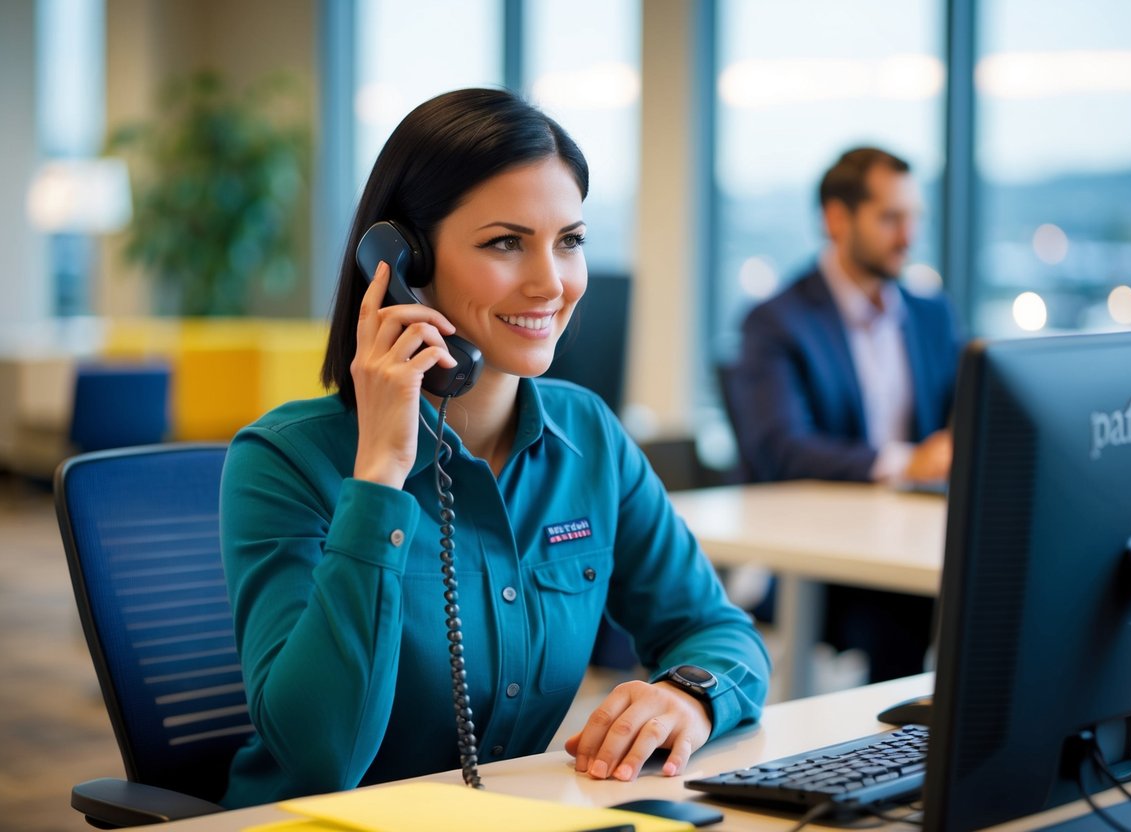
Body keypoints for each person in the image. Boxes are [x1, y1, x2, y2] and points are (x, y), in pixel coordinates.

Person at [218, 88, 770, 808]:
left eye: (568, 240)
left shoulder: (589, 437)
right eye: (505, 243)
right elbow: (319, 758)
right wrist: (381, 472)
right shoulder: (283, 462)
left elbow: (714, 630)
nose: (551, 283)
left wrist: (690, 698)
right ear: (401, 261)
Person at [731, 146, 963, 682]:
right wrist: (907, 462)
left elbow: (969, 411)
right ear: (837, 219)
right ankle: (897, 756)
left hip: (918, 537)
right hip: (828, 559)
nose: (908, 236)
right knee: (903, 620)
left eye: (914, 219)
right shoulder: (777, 322)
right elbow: (780, 447)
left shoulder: (930, 314)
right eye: (891, 218)